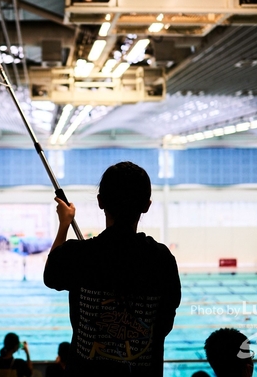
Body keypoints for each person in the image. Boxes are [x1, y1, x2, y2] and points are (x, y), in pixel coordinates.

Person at [44, 161, 181, 376]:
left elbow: (51, 275)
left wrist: (64, 224)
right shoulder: (161, 259)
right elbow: (163, 326)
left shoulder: (80, 254)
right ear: (147, 205)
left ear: (100, 202)